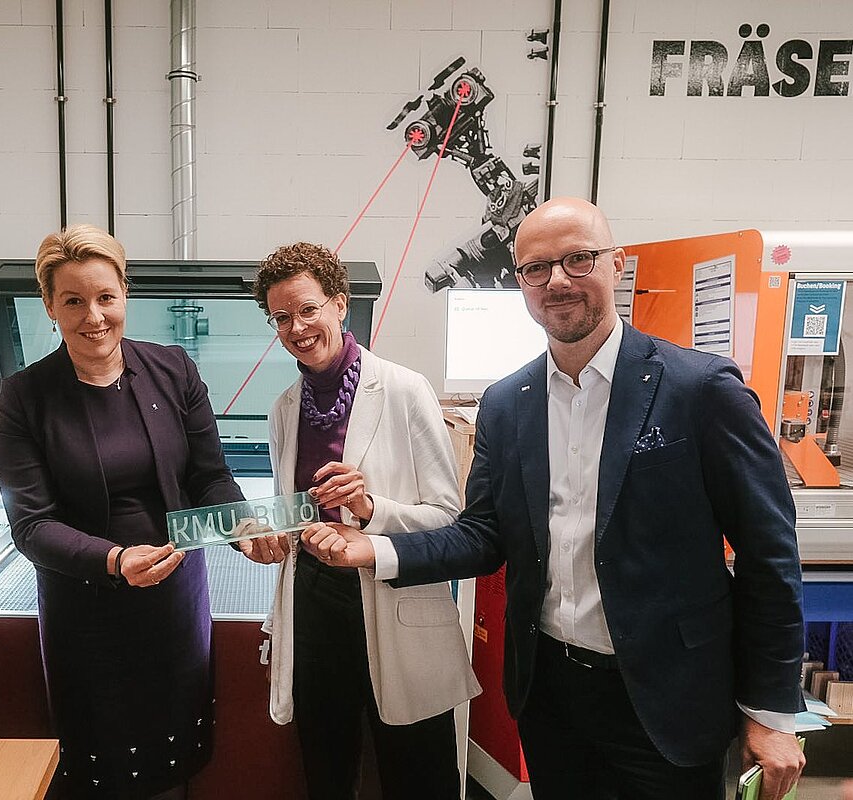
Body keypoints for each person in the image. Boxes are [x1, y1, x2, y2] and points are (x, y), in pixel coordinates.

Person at [303, 197, 807, 800]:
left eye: (578, 259)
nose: (557, 281)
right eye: (536, 269)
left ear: (616, 265)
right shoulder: (506, 403)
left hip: (665, 696)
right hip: (551, 695)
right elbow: (483, 534)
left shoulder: (700, 391)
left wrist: (772, 709)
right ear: (520, 282)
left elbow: (769, 552)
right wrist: (375, 551)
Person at [0, 224, 243, 800]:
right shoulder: (26, 395)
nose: (94, 316)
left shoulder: (173, 369)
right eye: (73, 301)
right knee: (102, 769)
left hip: (175, 606)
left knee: (174, 764)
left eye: (106, 297)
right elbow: (30, 525)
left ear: (124, 293)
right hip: (87, 615)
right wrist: (114, 559)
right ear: (49, 306)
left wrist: (245, 528)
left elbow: (210, 476)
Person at [239, 242, 480, 799]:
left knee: (418, 775)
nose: (297, 327)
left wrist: (372, 510)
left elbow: (451, 522)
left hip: (392, 599)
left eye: (307, 309)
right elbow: (292, 512)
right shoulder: (284, 407)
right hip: (315, 605)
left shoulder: (403, 389)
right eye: (281, 317)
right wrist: (266, 533)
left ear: (340, 304)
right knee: (327, 772)